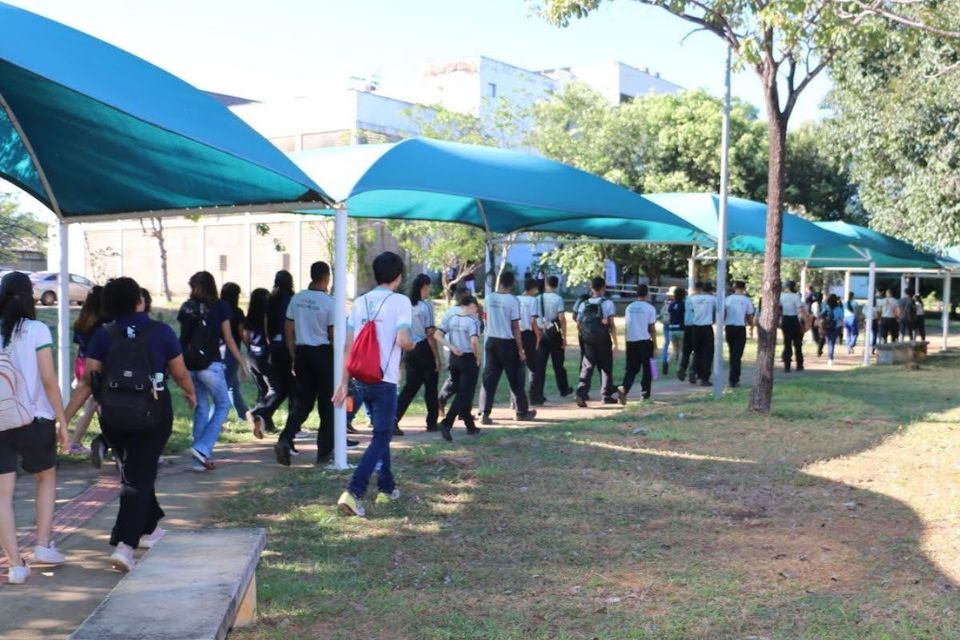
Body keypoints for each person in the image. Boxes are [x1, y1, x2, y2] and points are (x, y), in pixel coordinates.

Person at [65, 277, 196, 572]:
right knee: (137, 478)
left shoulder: (103, 334)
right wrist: (191, 392)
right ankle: (125, 545)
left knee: (134, 471)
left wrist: (64, 419)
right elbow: (179, 372)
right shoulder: (160, 331)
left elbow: (89, 381)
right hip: (153, 414)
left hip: (113, 416)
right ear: (139, 300)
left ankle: (149, 529)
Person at [0, 272, 70, 585]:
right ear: (30, 296)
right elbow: (48, 379)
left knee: (2, 495)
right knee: (46, 476)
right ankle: (42, 545)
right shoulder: (37, 329)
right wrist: (63, 420)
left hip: (0, 421)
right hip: (35, 418)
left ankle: (16, 565)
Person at [334, 252, 414, 517]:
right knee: (382, 435)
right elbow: (403, 339)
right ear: (398, 276)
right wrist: (413, 344)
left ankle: (387, 486)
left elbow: (348, 345)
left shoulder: (359, 303)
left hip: (360, 378)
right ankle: (354, 491)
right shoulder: (400, 301)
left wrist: (343, 383)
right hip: (385, 378)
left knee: (382, 433)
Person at [177, 271, 248, 472]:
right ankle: (202, 447)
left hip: (190, 364)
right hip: (211, 365)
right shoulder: (221, 307)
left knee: (200, 407)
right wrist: (241, 361)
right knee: (223, 405)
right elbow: (229, 338)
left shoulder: (186, 307)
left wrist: (181, 371)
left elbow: (182, 339)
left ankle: (199, 457)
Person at [275, 262, 336, 466]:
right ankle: (324, 454)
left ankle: (285, 438)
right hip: (324, 354)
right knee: (327, 406)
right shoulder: (330, 303)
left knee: (303, 402)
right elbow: (333, 335)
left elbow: (288, 329)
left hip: (302, 353)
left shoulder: (297, 298)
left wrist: (294, 355)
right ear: (326, 277)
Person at [478, 271, 537, 423]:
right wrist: (520, 349)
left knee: (489, 378)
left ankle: (484, 413)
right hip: (506, 342)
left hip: (491, 341)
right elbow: (515, 327)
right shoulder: (512, 300)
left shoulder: (489, 298)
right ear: (511, 283)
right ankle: (521, 411)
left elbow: (484, 319)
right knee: (515, 378)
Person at [249, 271, 295, 436]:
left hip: (274, 349)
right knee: (290, 389)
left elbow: (267, 325)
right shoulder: (291, 300)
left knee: (280, 388)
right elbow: (291, 326)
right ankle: (290, 426)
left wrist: (270, 344)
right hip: (287, 348)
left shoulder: (271, 301)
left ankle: (262, 416)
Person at [395, 274, 440, 435]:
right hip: (423, 347)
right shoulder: (426, 306)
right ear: (425, 286)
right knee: (431, 386)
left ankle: (394, 418)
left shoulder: (406, 305)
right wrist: (436, 356)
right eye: (430, 287)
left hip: (409, 349)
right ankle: (432, 422)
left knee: (411, 386)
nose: (431, 290)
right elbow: (430, 333)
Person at [434, 295, 482, 441]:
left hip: (455, 358)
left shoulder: (453, 318)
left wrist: (451, 347)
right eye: (476, 307)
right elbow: (474, 341)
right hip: (468, 358)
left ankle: (470, 425)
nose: (476, 310)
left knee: (460, 389)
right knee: (465, 394)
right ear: (471, 306)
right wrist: (478, 357)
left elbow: (438, 334)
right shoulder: (473, 321)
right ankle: (447, 423)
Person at [68, 286, 104, 455]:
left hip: (81, 362)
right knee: (98, 402)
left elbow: (78, 348)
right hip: (95, 365)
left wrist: (77, 374)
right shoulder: (103, 323)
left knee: (92, 404)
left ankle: (74, 442)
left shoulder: (81, 321)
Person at [575, 277, 618, 406]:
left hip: (588, 339)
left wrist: (584, 334)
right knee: (606, 366)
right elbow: (611, 324)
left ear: (592, 288)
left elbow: (578, 322)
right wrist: (616, 342)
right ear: (603, 287)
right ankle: (606, 395)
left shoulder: (584, 304)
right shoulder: (608, 303)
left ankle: (581, 393)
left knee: (587, 366)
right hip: (603, 339)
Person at [531, 275, 573, 404]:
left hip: (540, 333)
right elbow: (561, 318)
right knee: (558, 364)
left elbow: (533, 317)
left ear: (545, 284)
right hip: (554, 334)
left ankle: (538, 394)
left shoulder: (538, 298)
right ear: (557, 284)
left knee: (540, 366)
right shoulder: (558, 299)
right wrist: (564, 336)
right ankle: (563, 389)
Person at [618, 283, 657, 404]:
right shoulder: (650, 308)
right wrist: (655, 345)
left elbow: (627, 326)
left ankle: (624, 389)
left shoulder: (629, 307)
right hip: (644, 341)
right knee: (648, 370)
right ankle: (645, 395)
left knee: (631, 369)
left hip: (631, 341)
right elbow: (652, 328)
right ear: (647, 294)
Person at [220, 282, 250, 425]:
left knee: (233, 387)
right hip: (232, 353)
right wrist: (249, 347)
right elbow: (241, 334)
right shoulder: (237, 312)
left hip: (218, 352)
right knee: (224, 389)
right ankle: (215, 419)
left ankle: (244, 414)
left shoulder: (217, 310)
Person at [244, 288, 273, 436]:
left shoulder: (250, 317)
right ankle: (257, 413)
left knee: (262, 390)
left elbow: (246, 336)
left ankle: (264, 424)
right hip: (264, 354)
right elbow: (268, 336)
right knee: (274, 389)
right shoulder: (267, 316)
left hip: (252, 356)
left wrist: (250, 349)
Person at [437, 286, 469, 418]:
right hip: (462, 351)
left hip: (449, 349)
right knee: (464, 381)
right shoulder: (466, 312)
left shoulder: (449, 312)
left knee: (457, 380)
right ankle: (445, 400)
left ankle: (462, 411)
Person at [724, 281, 755, 388]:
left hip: (729, 327)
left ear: (734, 287)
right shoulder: (746, 300)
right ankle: (734, 379)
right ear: (744, 288)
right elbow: (749, 315)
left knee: (732, 352)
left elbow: (724, 314)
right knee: (737, 355)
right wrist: (752, 326)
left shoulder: (728, 300)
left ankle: (733, 377)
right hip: (740, 328)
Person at [517, 278, 542, 404]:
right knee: (533, 367)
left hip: (516, 334)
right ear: (533, 288)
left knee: (517, 367)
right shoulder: (533, 300)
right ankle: (534, 397)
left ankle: (515, 400)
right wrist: (538, 335)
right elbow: (533, 321)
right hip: (527, 334)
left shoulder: (516, 299)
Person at [780, 280, 805, 372]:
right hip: (794, 319)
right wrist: (801, 321)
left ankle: (787, 366)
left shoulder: (782, 296)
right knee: (797, 343)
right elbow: (799, 310)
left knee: (787, 343)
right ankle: (799, 364)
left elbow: (779, 308)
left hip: (785, 319)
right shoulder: (796, 296)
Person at [679, 283, 699, 382]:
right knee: (696, 350)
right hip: (696, 326)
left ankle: (682, 368)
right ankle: (693, 371)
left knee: (686, 350)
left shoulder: (687, 300)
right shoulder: (699, 300)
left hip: (687, 326)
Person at [666, 287, 686, 378]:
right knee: (681, 350)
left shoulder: (671, 304)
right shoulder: (683, 305)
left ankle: (667, 362)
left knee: (674, 350)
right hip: (681, 329)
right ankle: (679, 368)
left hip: (671, 328)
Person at [820, 293, 845, 365]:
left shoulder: (826, 307)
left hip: (827, 326)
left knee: (829, 342)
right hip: (835, 327)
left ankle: (830, 358)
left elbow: (821, 315)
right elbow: (841, 318)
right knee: (832, 342)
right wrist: (842, 327)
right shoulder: (839, 309)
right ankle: (830, 358)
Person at [657, 288, 673, 375]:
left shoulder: (665, 303)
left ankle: (664, 358)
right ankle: (667, 361)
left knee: (666, 342)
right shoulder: (675, 303)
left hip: (665, 323)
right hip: (672, 324)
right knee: (675, 345)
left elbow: (661, 313)